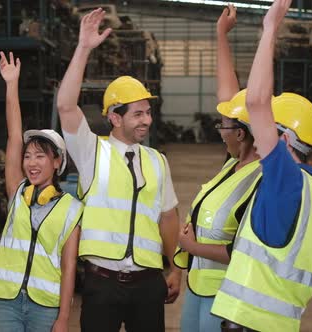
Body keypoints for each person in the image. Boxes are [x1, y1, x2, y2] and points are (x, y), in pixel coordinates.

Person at [56, 8, 182, 331]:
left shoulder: (157, 161)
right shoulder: (90, 152)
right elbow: (66, 106)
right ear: (114, 117)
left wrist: (176, 267)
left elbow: (168, 217)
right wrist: (84, 48)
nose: (147, 121)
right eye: (138, 114)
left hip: (149, 283)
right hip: (102, 284)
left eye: (148, 112)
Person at [211, 1, 312, 331]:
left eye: (266, 130)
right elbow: (239, 106)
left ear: (286, 141)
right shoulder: (308, 190)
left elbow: (256, 102)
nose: (256, 136)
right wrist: (221, 37)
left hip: (251, 324)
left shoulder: (284, 180)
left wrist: (270, 28)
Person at [174, 5, 262, 332]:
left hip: (228, 294)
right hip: (199, 286)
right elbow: (229, 96)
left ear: (240, 133)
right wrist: (220, 36)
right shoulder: (232, 164)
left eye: (224, 125)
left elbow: (246, 249)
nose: (220, 129)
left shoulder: (260, 177)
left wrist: (192, 247)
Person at [0, 52, 83, 332]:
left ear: (57, 162)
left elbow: (69, 266)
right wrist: (11, 85)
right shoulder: (18, 191)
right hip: (5, 300)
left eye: (41, 156)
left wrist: (64, 317)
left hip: (45, 305)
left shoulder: (72, 209)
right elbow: (15, 134)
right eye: (28, 156)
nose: (31, 163)